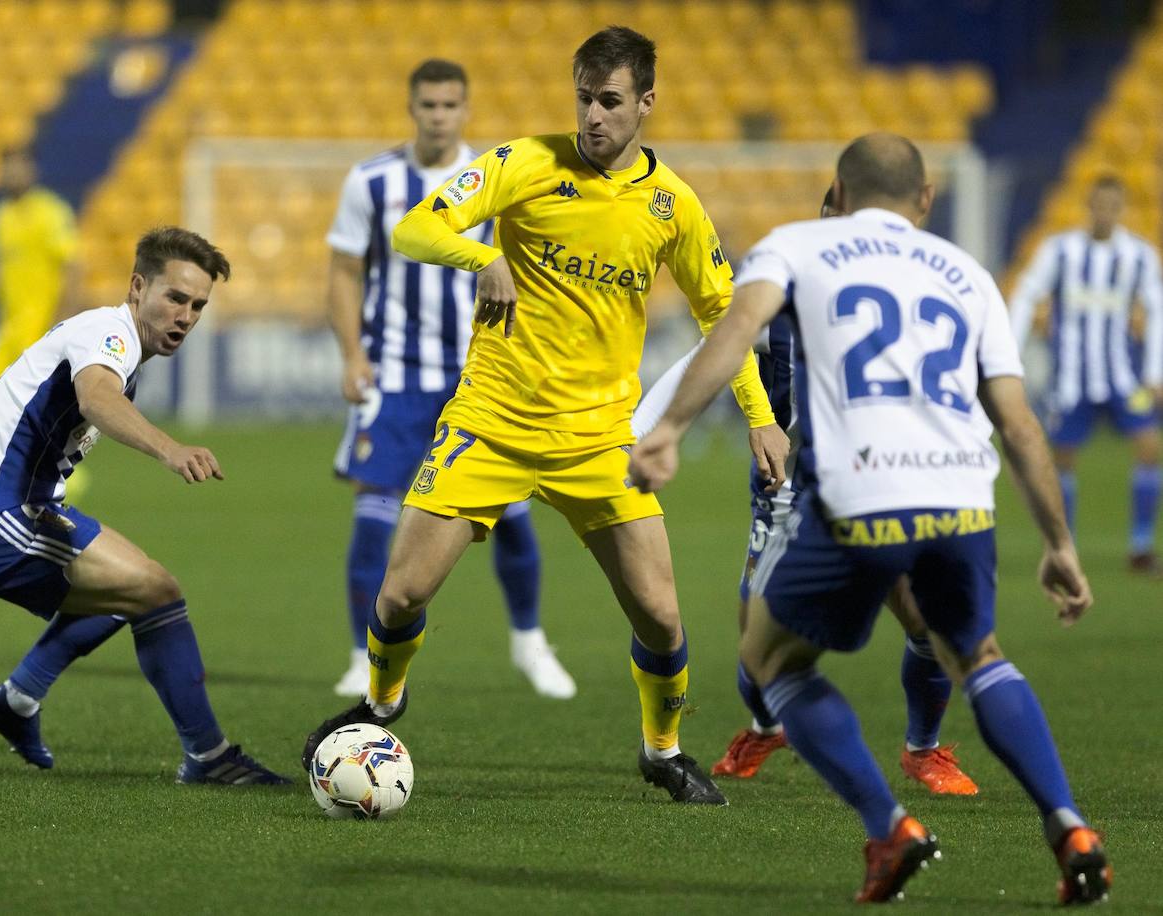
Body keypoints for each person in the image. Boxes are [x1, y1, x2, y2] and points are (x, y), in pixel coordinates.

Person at [302, 27, 790, 805]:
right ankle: (382, 705)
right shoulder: (525, 162)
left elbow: (722, 315)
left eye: (610, 102)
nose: (593, 117)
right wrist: (482, 256)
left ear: (646, 104)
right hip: (491, 419)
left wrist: (760, 417)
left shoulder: (674, 206)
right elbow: (415, 227)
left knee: (662, 618)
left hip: (599, 437)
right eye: (583, 100)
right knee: (399, 597)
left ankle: (662, 751)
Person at [630, 134, 1109, 903]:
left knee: (773, 660)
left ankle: (888, 827)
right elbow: (1019, 425)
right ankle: (1070, 824)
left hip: (858, 494)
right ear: (926, 200)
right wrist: (1059, 543)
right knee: (979, 655)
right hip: (960, 497)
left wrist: (668, 430)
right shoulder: (970, 276)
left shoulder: (796, 247)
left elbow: (732, 332)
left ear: (840, 196)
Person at [0, 227, 291, 787]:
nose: (186, 316)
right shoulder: (109, 334)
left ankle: (18, 701)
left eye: (198, 305)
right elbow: (96, 398)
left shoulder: (108, 336)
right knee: (155, 590)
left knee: (130, 593)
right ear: (137, 286)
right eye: (175, 298)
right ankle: (208, 756)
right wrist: (169, 449)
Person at [632, 188, 978, 795]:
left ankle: (923, 749)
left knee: (927, 624)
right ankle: (767, 726)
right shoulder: (781, 302)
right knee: (756, 651)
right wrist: (643, 432)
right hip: (788, 494)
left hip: (876, 483)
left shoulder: (898, 303)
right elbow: (704, 356)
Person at [326, 59, 574, 700]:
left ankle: (529, 640)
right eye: (429, 105)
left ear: (466, 110)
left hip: (481, 374)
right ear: (413, 108)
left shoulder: (494, 180)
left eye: (450, 105)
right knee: (374, 518)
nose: (438, 115)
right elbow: (345, 273)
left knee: (514, 517)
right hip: (396, 376)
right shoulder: (372, 182)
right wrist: (352, 355)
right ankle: (362, 652)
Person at [1008, 174, 1163, 573]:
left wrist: (1154, 371)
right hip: (1071, 377)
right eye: (1099, 204)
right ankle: (1065, 546)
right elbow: (1027, 292)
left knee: (1149, 446)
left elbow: (1157, 308)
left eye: (1113, 206)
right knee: (1062, 460)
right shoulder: (1060, 251)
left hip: (1123, 375)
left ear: (1121, 208)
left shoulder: (1139, 255)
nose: (1105, 213)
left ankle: (1141, 546)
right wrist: (1011, 351)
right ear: (1089, 205)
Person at [0, 148, 83, 387]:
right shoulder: (1, 215)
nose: (13, 175)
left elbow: (74, 267)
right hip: (9, 326)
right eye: (9, 169)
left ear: (31, 172)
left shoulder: (50, 212)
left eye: (19, 169)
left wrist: (62, 320)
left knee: (26, 399)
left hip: (40, 325)